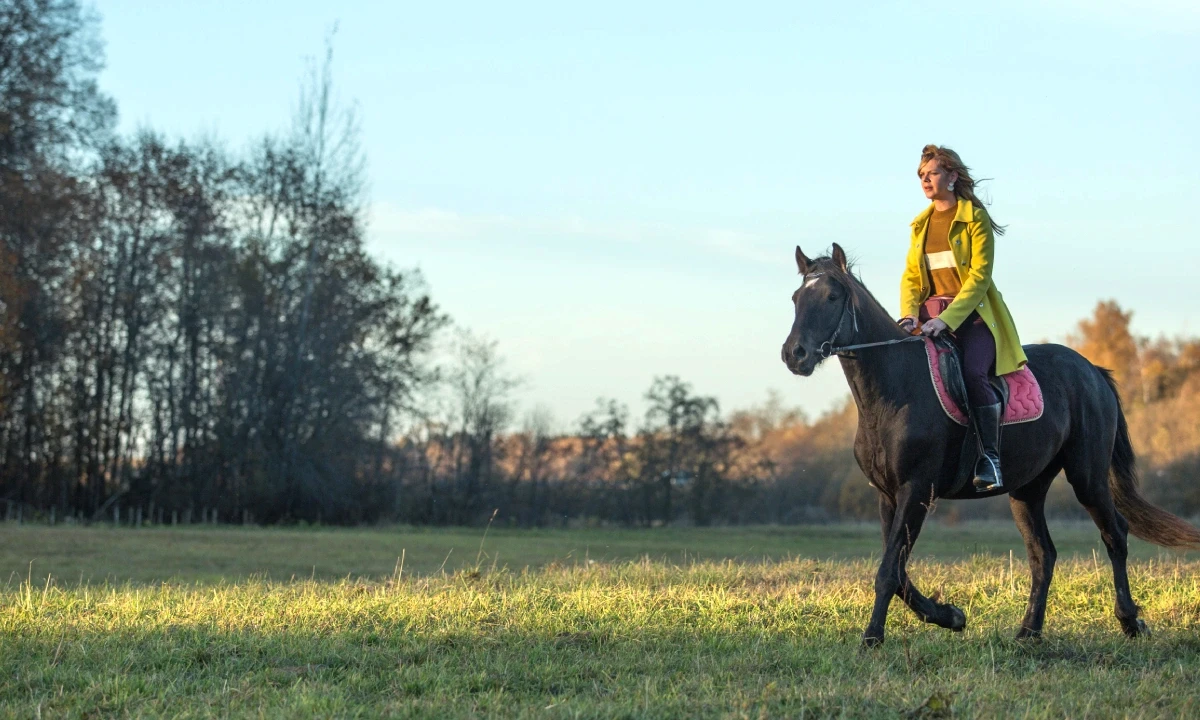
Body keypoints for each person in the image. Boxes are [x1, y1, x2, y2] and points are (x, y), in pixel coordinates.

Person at [898, 145, 1027, 492]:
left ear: (952, 177)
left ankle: (990, 459)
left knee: (973, 374)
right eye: (921, 175)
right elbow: (912, 277)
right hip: (927, 320)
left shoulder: (975, 218)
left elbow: (980, 277)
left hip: (972, 319)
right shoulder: (920, 225)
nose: (926, 179)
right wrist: (910, 314)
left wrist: (949, 320)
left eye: (933, 173)